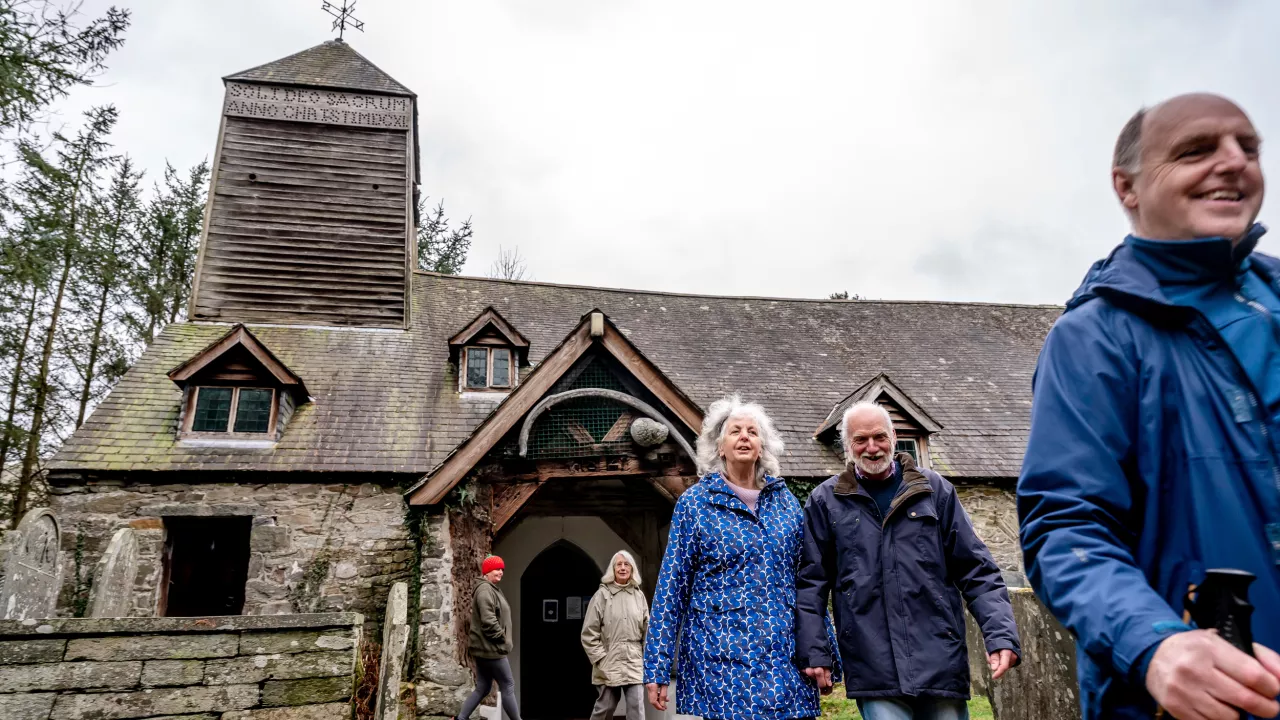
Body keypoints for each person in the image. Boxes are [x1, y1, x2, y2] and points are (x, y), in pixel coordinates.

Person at [1018, 93, 1280, 720]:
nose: (1233, 162)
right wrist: (1154, 644)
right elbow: (1066, 523)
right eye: (1195, 151)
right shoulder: (1094, 339)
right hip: (1205, 698)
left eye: (1248, 148)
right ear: (1127, 186)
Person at [795, 402, 1020, 720]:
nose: (872, 447)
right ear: (847, 445)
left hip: (939, 659)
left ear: (894, 437)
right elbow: (811, 584)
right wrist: (815, 651)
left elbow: (977, 570)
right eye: (861, 439)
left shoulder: (935, 491)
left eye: (879, 437)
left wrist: (1000, 634)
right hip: (873, 665)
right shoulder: (825, 501)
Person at [642, 395, 822, 720]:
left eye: (752, 432)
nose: (744, 437)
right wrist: (657, 666)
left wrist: (821, 653)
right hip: (719, 661)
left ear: (761, 447)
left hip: (782, 658)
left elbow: (808, 583)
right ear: (719, 447)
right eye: (735, 431)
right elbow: (671, 588)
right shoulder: (695, 504)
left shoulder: (787, 505)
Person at [581, 550, 650, 720]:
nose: (623, 568)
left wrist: (646, 658)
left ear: (632, 569)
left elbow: (647, 630)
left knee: (637, 708)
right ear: (613, 569)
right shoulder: (601, 595)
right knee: (605, 708)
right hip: (609, 660)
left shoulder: (639, 596)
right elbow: (588, 633)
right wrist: (601, 658)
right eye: (619, 564)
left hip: (634, 660)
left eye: (627, 564)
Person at [455, 555, 521, 720]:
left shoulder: (490, 589)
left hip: (485, 649)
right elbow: (488, 620)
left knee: (483, 688)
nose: (501, 572)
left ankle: (461, 718)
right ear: (487, 571)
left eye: (502, 569)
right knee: (508, 685)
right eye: (497, 569)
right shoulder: (485, 590)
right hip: (492, 649)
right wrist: (502, 638)